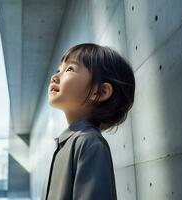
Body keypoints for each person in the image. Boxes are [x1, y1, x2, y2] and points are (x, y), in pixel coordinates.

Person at [41, 43, 135, 200]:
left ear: (100, 92)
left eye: (69, 69)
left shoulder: (89, 143)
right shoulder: (66, 142)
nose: (55, 76)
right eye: (59, 70)